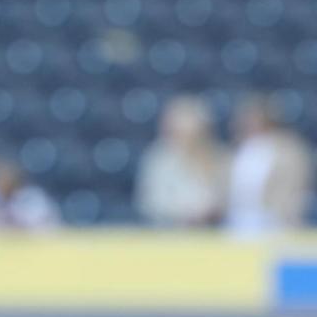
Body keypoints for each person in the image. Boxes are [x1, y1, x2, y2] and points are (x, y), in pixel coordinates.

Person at [134, 95, 230, 227]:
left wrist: (213, 209)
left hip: (212, 232)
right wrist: (187, 212)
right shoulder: (159, 157)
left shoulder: (219, 156)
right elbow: (151, 201)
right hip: (170, 233)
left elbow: (229, 196)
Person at [226, 94, 313, 236]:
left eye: (255, 117)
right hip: (237, 224)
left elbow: (295, 187)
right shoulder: (239, 149)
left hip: (276, 223)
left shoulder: (289, 149)